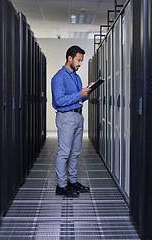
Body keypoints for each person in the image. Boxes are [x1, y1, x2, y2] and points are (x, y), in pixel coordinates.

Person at [51, 45, 94, 197]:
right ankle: (61, 186)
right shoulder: (58, 77)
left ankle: (73, 181)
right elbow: (59, 100)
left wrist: (86, 92)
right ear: (69, 58)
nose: (80, 64)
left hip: (78, 116)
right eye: (78, 60)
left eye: (81, 61)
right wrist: (79, 94)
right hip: (66, 117)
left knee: (75, 152)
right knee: (64, 152)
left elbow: (79, 97)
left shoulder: (76, 77)